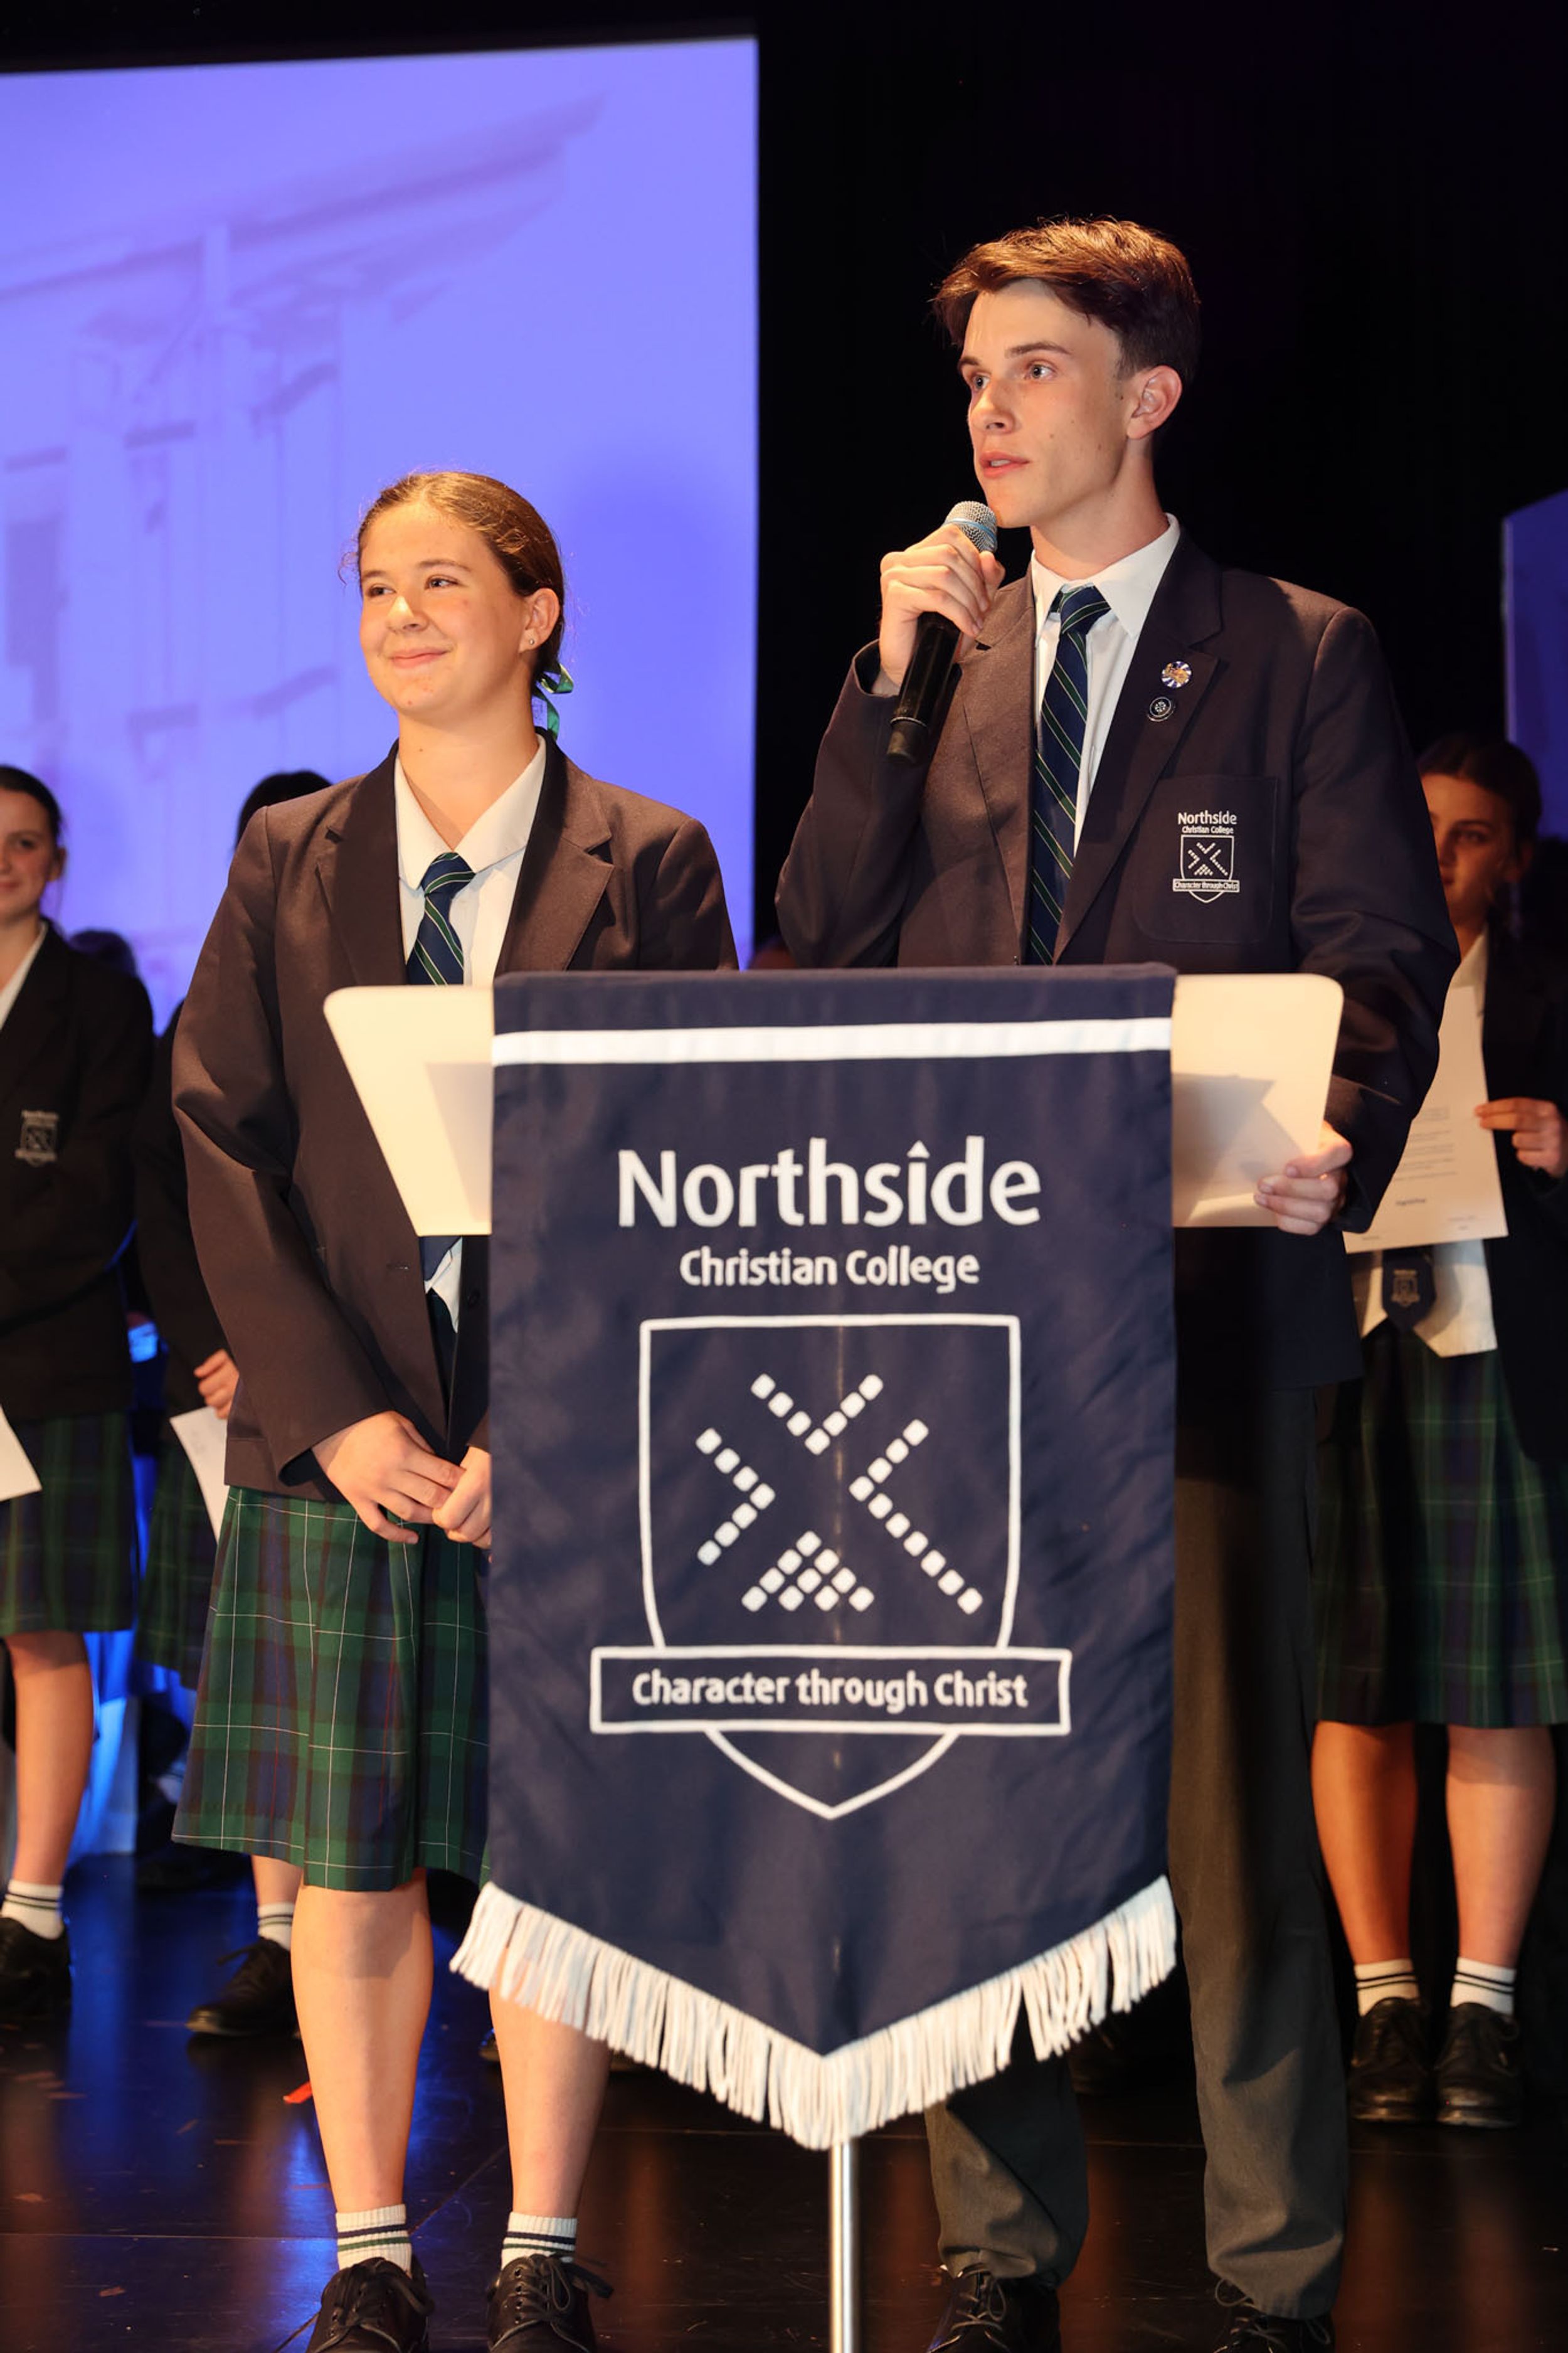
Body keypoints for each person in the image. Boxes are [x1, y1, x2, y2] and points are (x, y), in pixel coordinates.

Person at [776, 218, 1456, 2353]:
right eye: (974, 377)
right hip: (954, 1321)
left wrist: (1324, 1129)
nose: (990, 412)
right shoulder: (932, 670)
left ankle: (1272, 2272)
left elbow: (1376, 958)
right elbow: (818, 939)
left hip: (1201, 1308)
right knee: (969, 1814)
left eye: (1037, 370)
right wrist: (886, 687)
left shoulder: (1293, 651)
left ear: (1148, 395)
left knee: (1230, 1820)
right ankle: (995, 2252)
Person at [172, 472, 734, 2353]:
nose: (400, 618)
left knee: (549, 1866)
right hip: (338, 1457)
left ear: (537, 611)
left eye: (439, 582)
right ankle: (367, 2255)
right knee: (349, 1865)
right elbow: (221, 1137)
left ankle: (540, 2253)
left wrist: (550, 1425)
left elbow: (684, 1155)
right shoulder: (289, 855)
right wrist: (334, 1416)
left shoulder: (649, 857)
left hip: (556, 1453)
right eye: (373, 588)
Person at [1312, 734, 1568, 2130]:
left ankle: (1483, 2006)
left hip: (1488, 1350)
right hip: (1342, 1349)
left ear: (1510, 858)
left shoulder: (1544, 988)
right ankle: (1380, 2001)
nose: (1437, 855)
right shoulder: (1320, 984)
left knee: (1494, 1683)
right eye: (1420, 826)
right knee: (1350, 1681)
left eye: (1469, 836)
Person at [132, 773, 331, 2027]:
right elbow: (165, 1199)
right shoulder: (203, 1010)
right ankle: (275, 1940)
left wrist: (289, 1349)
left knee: (357, 1678)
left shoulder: (388, 990)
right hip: (222, 1389)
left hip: (365, 1381)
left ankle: (440, 1946)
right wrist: (221, 1342)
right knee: (251, 1672)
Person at [0, 767, 153, 2021]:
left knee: (40, 1629)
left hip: (46, 1360)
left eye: (21, 842)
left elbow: (101, 1196)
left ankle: (33, 1909)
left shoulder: (99, 999)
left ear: (56, 861)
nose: (1, 860)